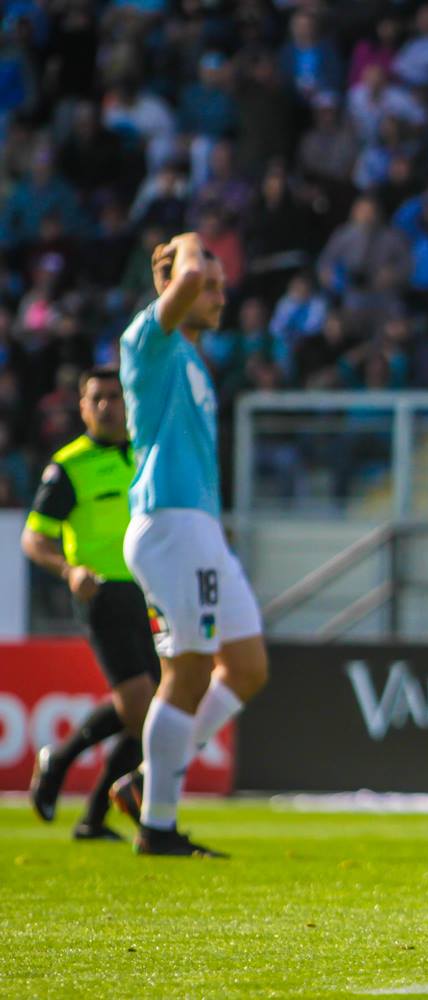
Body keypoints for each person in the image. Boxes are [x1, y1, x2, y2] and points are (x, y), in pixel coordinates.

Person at [112, 232, 270, 857]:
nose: (219, 295)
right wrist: (190, 244)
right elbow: (184, 278)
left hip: (200, 529)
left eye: (222, 287)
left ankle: (148, 780)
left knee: (247, 666)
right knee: (188, 671)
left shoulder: (196, 363)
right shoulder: (148, 342)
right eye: (210, 285)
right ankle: (158, 824)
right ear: (173, 280)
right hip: (169, 526)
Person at [22, 367, 158, 841]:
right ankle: (69, 773)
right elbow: (34, 538)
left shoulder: (145, 453)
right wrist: (69, 571)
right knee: (142, 706)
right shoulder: (69, 466)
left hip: (150, 592)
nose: (106, 406)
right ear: (82, 407)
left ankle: (89, 811)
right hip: (102, 594)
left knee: (150, 710)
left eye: (114, 397)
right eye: (96, 398)